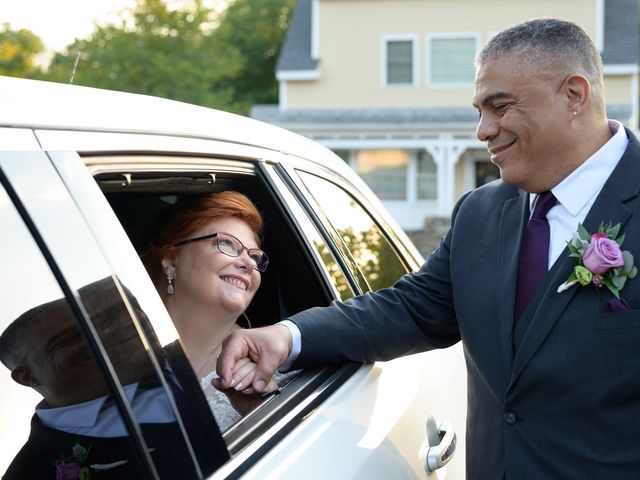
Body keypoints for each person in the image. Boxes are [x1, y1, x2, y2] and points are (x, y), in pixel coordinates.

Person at [216, 18, 640, 478]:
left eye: (499, 106)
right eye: (480, 110)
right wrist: (288, 337)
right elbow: (413, 309)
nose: (483, 130)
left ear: (574, 95)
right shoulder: (480, 212)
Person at [0, 278, 227, 479]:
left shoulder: (217, 352)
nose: (106, 334)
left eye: (121, 312)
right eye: (70, 337)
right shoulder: (29, 473)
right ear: (27, 376)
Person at [143, 191, 284, 431]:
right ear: (171, 259)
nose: (249, 263)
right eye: (228, 243)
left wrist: (262, 412)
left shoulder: (265, 369)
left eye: (254, 256)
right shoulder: (109, 348)